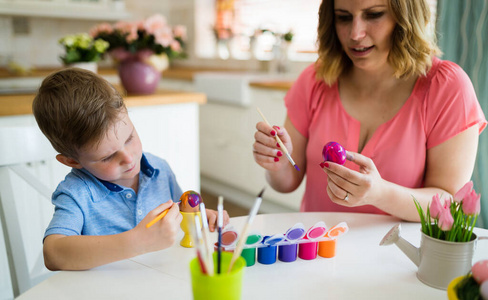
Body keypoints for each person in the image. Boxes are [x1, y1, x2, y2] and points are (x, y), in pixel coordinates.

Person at [253, 0, 486, 221]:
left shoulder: (447, 87)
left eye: (374, 15)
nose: (355, 34)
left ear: (406, 16)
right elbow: (285, 183)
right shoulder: (315, 81)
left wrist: (380, 194)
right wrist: (279, 164)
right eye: (343, 17)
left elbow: (449, 203)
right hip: (318, 253)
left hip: (401, 259)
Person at [33, 68, 229, 271]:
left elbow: (180, 215)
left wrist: (197, 219)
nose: (128, 158)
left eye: (129, 138)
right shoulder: (77, 193)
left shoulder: (159, 169)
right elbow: (53, 254)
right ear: (72, 161)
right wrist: (137, 241)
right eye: (108, 156)